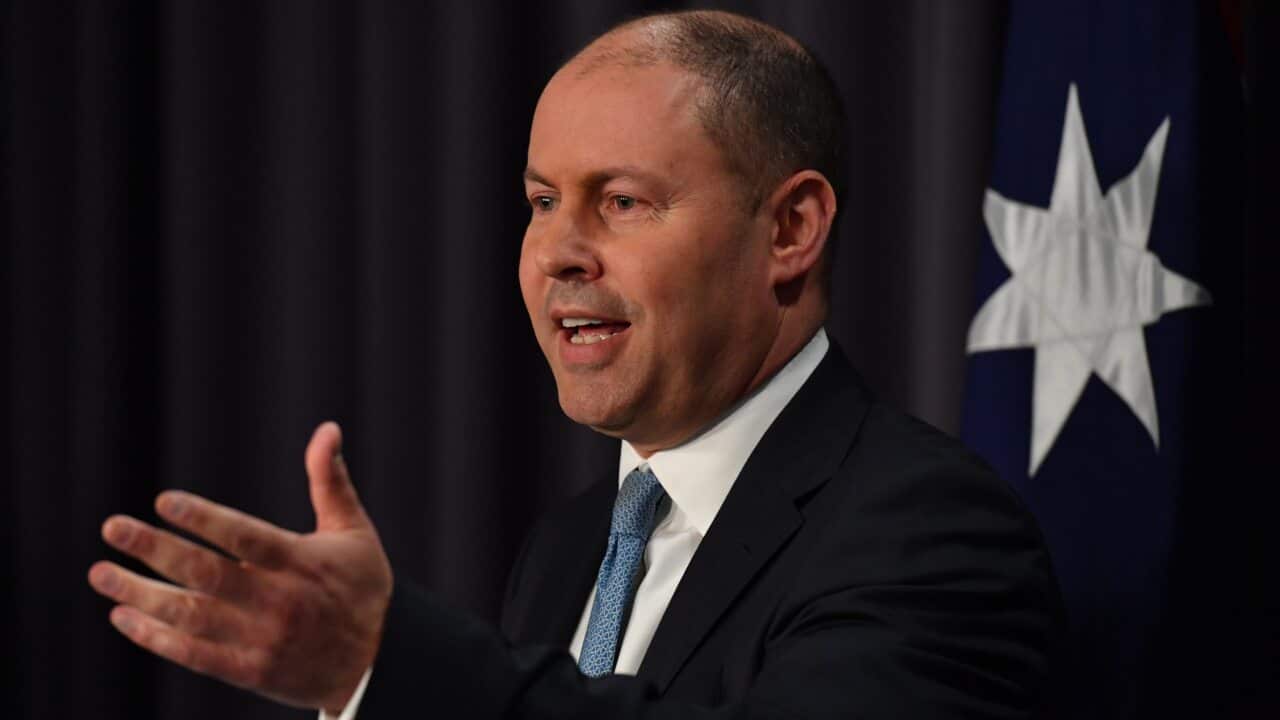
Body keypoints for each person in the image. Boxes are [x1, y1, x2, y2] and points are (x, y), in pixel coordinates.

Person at [89, 10, 1063, 718]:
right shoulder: (568, 551)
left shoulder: (930, 535)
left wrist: (385, 665)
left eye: (623, 202)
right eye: (542, 200)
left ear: (790, 228)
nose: (558, 252)